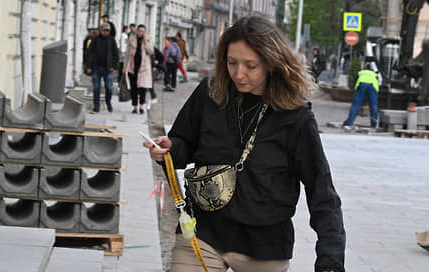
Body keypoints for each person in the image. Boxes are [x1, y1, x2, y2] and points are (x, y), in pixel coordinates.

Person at [143, 16, 345, 272]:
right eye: (232, 62)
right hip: (203, 231)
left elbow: (321, 190)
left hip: (264, 246)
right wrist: (169, 149)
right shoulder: (210, 92)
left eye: (251, 65)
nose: (239, 73)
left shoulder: (296, 117)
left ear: (272, 63)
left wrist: (330, 259)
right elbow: (184, 143)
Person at [86, 23, 119, 113]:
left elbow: (116, 55)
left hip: (108, 69)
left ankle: (108, 102)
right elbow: (89, 53)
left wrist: (114, 67)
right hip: (96, 67)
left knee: (109, 88)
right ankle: (96, 106)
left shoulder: (112, 40)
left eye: (107, 31)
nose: (106, 32)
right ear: (101, 30)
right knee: (96, 87)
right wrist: (88, 66)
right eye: (104, 30)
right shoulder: (95, 39)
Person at [124, 24, 153, 114]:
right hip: (132, 67)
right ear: (137, 31)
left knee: (142, 89)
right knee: (133, 89)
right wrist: (125, 67)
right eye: (140, 31)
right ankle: (135, 107)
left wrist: (146, 42)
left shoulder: (148, 40)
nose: (141, 33)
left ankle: (141, 107)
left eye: (143, 31)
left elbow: (151, 52)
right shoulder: (132, 39)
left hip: (143, 69)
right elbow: (127, 54)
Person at [343, 64, 379, 128]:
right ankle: (374, 124)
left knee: (356, 105)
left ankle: (349, 122)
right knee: (373, 106)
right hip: (372, 87)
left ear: (364, 68)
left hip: (361, 85)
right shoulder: (374, 74)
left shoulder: (361, 73)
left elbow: (355, 82)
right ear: (372, 69)